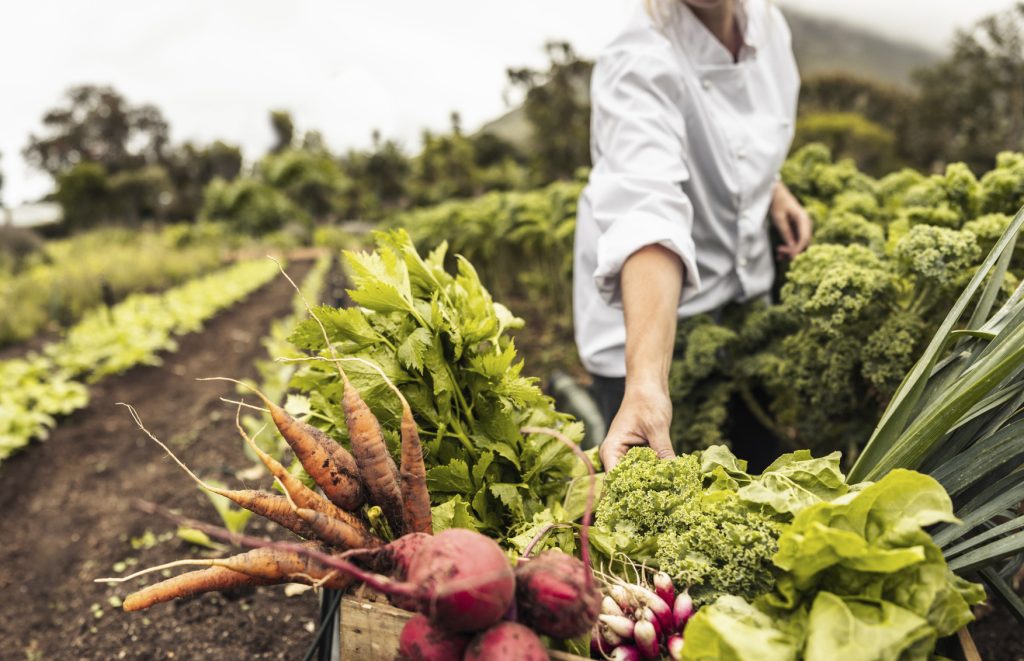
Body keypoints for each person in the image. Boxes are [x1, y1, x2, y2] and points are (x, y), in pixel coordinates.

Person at [573, 0, 813, 471]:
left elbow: (741, 133)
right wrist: (645, 385)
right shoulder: (638, 57)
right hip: (646, 320)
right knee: (665, 509)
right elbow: (647, 209)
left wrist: (772, 187)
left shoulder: (766, 24)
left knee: (759, 461)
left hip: (738, 300)